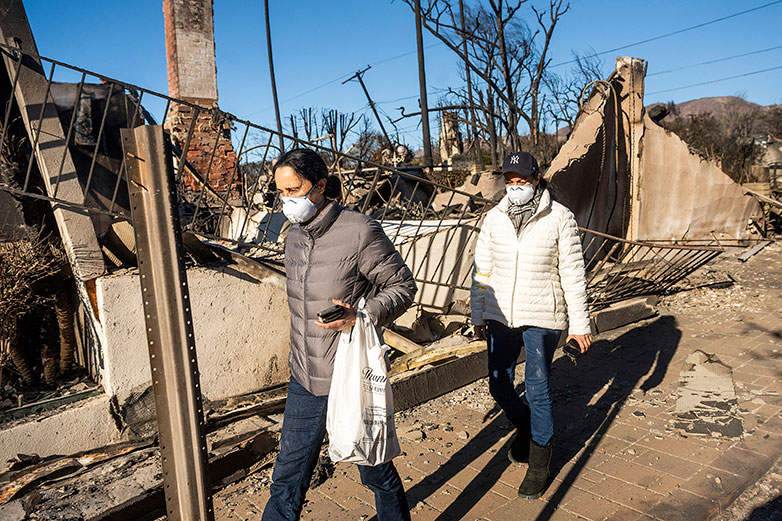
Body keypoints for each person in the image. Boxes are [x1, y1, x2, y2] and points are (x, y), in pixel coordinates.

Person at [262, 148, 416, 521]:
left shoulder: (360, 230)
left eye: (294, 190)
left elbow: (402, 286)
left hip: (347, 376)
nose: (287, 200)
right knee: (287, 477)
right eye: (281, 192)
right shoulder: (293, 236)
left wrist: (359, 315)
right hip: (304, 376)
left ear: (320, 187)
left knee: (375, 471)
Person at [470, 151, 593, 499]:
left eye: (521, 181)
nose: (514, 187)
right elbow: (482, 270)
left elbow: (573, 274)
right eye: (509, 182)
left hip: (542, 315)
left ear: (536, 179)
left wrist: (579, 324)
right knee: (500, 387)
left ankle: (540, 462)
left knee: (538, 388)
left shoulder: (560, 218)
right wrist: (477, 314)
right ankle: (525, 427)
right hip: (500, 315)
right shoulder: (494, 218)